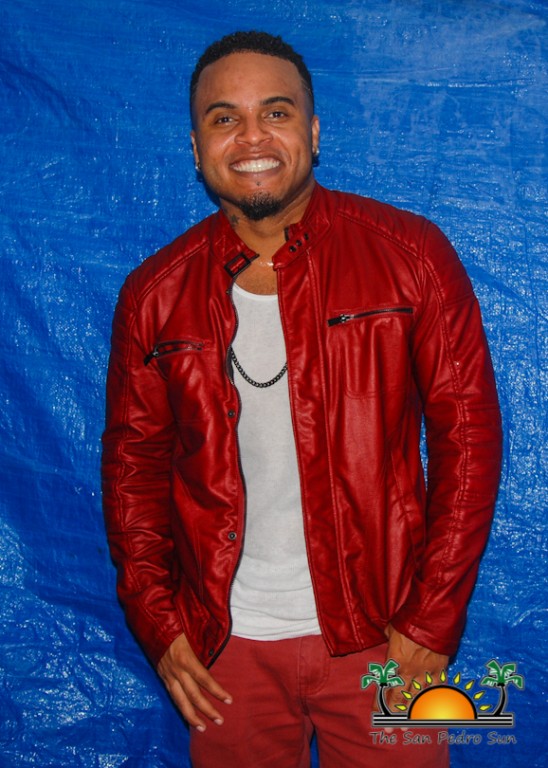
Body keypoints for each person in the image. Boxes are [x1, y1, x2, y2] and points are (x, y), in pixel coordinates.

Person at [102, 30, 502, 767]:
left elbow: (469, 442)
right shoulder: (153, 294)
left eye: (276, 112)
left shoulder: (412, 256)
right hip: (225, 652)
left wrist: (432, 619)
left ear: (313, 133)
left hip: (384, 636)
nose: (252, 136)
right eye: (224, 118)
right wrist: (161, 628)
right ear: (196, 147)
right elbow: (133, 474)